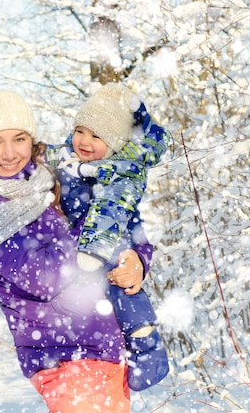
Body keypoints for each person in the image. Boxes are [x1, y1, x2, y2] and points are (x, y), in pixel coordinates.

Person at [0, 89, 154, 412]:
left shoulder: (45, 180)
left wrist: (138, 259)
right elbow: (44, 277)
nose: (10, 153)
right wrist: (99, 218)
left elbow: (124, 227)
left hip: (106, 350)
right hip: (67, 359)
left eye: (20, 138)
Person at [43, 83, 170, 391]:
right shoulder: (59, 165)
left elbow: (136, 234)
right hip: (69, 301)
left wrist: (138, 259)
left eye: (97, 136)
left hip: (107, 282)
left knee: (129, 297)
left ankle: (148, 356)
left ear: (113, 144)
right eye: (80, 131)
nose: (84, 141)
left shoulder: (118, 180)